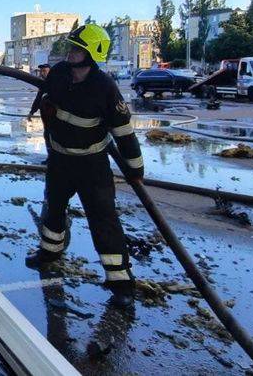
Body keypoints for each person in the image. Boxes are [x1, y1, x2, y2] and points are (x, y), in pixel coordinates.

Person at [26, 23, 145, 308]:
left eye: (77, 49)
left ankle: (121, 282)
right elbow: (44, 96)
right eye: (71, 47)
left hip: (92, 165)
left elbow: (124, 132)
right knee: (53, 209)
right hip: (60, 161)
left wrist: (135, 169)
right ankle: (49, 252)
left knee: (103, 219)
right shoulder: (58, 74)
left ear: (92, 53)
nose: (70, 52)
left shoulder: (105, 87)